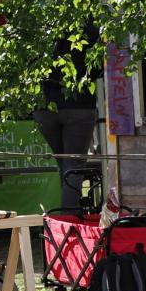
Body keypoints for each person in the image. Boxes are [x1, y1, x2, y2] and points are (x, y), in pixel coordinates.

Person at [34, 22, 101, 210]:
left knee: (65, 165)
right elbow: (99, 65)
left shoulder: (44, 19)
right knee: (73, 167)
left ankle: (64, 218)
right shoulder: (90, 25)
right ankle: (67, 222)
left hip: (45, 104)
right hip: (79, 104)